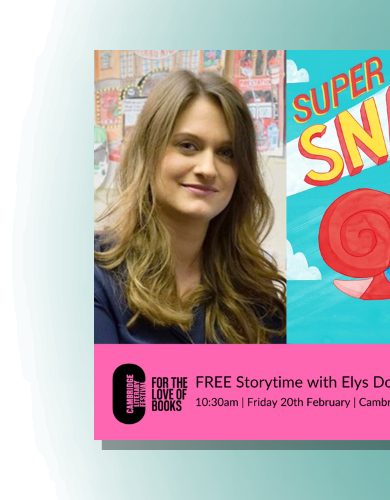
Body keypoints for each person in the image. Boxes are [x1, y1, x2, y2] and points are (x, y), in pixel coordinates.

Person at [94, 70, 286, 344]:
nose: (208, 169)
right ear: (148, 152)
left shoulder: (254, 292)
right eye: (188, 146)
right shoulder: (96, 273)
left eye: (226, 153)